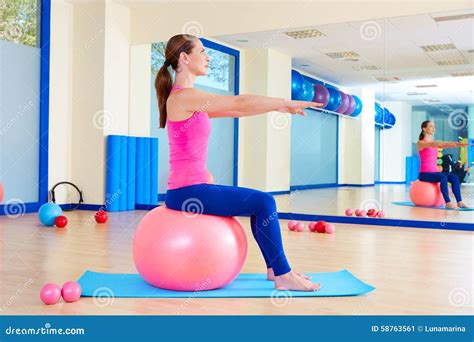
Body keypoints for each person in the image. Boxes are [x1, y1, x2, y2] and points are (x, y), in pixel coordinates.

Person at [155, 34, 323, 291]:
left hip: (190, 188)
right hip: (187, 192)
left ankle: (274, 269)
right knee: (264, 201)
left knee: (260, 203)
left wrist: (277, 108)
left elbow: (236, 110)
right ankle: (283, 274)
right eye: (202, 51)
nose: (208, 56)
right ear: (184, 58)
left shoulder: (188, 98)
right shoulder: (183, 97)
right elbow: (239, 102)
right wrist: (283, 101)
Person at [417, 120, 469, 209]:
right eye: (431, 126)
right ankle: (448, 202)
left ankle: (459, 202)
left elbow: (444, 144)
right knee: (443, 177)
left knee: (454, 177)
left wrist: (458, 144)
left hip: (434, 173)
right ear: (424, 129)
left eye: (434, 126)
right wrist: (440, 143)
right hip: (424, 174)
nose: (433, 128)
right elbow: (433, 144)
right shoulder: (421, 143)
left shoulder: (435, 143)